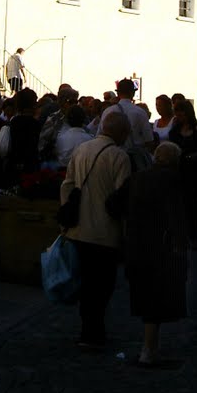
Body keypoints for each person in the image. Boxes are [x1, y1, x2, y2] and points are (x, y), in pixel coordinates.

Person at [61, 110, 131, 349]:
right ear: (121, 132)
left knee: (87, 283)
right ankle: (94, 331)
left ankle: (88, 329)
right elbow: (123, 198)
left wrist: (66, 216)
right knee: (102, 286)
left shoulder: (82, 150)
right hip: (104, 232)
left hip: (79, 229)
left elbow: (67, 185)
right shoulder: (119, 157)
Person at [124, 141, 187, 366]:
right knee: (157, 298)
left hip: (137, 243)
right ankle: (149, 350)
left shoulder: (138, 177)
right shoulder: (172, 180)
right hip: (161, 245)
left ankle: (150, 347)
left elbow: (114, 203)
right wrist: (180, 242)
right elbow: (176, 213)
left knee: (148, 296)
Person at [168, 99, 197, 246]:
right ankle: (179, 235)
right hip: (178, 170)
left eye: (181, 114)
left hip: (194, 172)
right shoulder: (175, 130)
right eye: (177, 113)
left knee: (192, 205)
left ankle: (194, 236)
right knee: (178, 205)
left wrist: (196, 156)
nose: (178, 116)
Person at [100, 78, 154, 170]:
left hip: (111, 157)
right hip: (134, 159)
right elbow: (148, 139)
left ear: (118, 93)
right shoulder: (140, 112)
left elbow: (100, 135)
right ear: (132, 93)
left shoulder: (108, 111)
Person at [38, 86, 79, 162]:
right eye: (70, 102)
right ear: (62, 102)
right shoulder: (53, 119)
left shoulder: (80, 118)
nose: (74, 105)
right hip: (56, 162)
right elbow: (42, 142)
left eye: (76, 102)